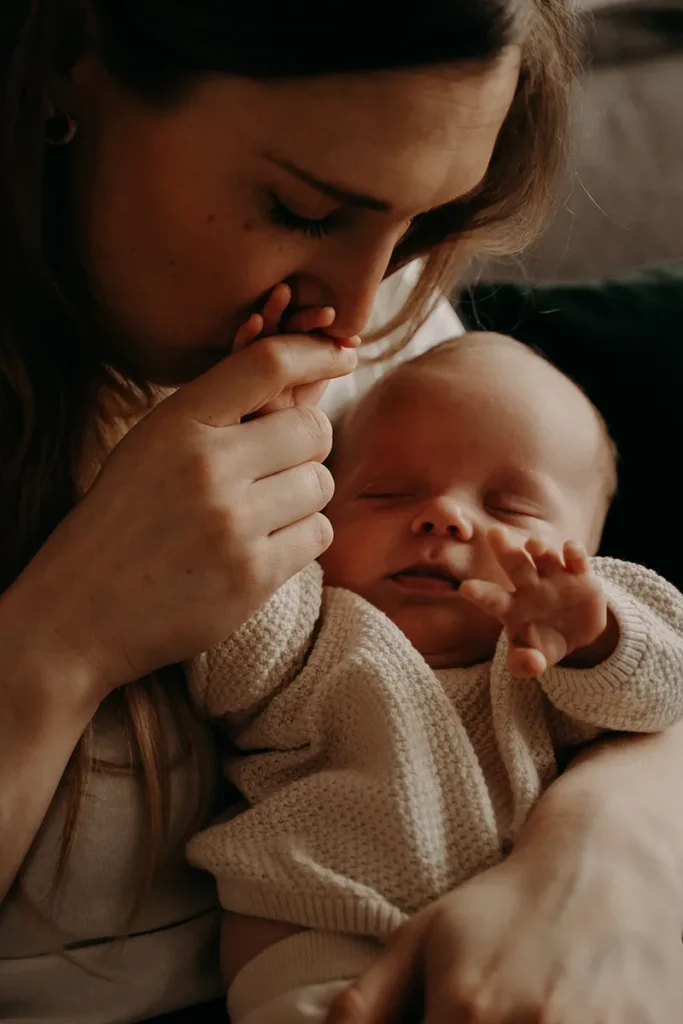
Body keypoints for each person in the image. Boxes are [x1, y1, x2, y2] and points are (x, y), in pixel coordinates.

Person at [0, 2, 680, 1023]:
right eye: (304, 210)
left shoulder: (380, 341)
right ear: (67, 61)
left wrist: (615, 837)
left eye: (417, 228)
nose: (357, 321)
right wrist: (61, 639)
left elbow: (626, 655)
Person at [186, 334, 683, 1023]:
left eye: (508, 508)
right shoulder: (309, 621)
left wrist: (596, 637)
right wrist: (261, 458)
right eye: (386, 492)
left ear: (588, 546)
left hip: (546, 940)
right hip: (319, 926)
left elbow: (667, 691)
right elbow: (220, 636)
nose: (442, 515)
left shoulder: (563, 644)